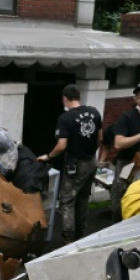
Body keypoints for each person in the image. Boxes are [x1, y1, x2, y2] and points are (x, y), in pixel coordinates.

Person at [37, 84, 102, 242]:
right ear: (79, 96)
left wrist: (48, 156)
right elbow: (100, 138)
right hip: (91, 161)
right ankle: (80, 234)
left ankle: (69, 238)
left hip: (75, 164)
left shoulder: (65, 118)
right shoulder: (94, 112)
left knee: (67, 200)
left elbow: (61, 146)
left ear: (65, 99)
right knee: (83, 198)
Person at [104, 82, 140, 223]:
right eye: (138, 97)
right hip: (126, 163)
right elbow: (118, 143)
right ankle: (116, 226)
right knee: (119, 199)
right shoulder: (127, 117)